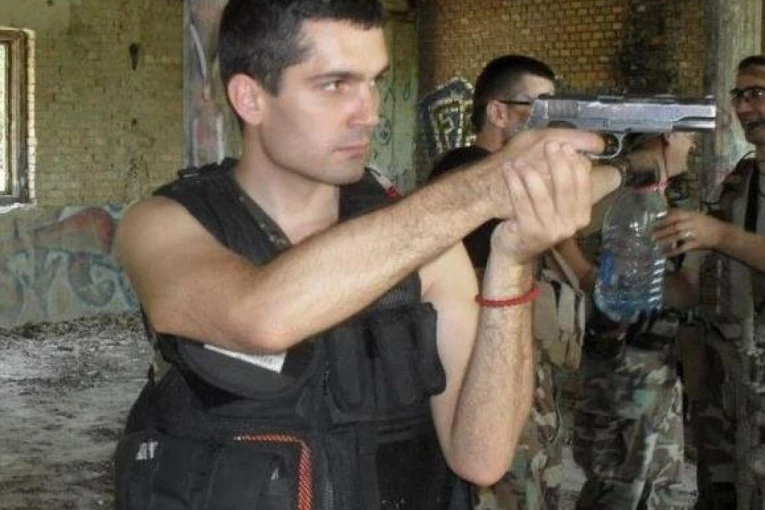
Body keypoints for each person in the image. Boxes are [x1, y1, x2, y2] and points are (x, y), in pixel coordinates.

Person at [111, 2, 606, 509]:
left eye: (374, 82)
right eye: (335, 85)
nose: (369, 113)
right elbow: (257, 316)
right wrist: (480, 189)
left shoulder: (426, 248)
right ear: (250, 97)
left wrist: (512, 261)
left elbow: (480, 458)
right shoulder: (165, 224)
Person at [427, 56, 631, 510]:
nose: (551, 123)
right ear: (498, 112)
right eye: (539, 109)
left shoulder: (509, 177)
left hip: (510, 363)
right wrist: (631, 168)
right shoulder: (466, 168)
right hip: (480, 373)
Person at [556, 131, 701, 510]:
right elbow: (560, 232)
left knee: (651, 485)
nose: (694, 145)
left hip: (653, 365)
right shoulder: (620, 193)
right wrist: (588, 276)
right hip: (622, 369)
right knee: (621, 487)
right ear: (668, 134)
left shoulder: (664, 195)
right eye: (689, 135)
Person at [653, 54, 765, 510]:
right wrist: (630, 277)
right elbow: (691, 288)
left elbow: (720, 238)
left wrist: (718, 235)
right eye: (739, 95)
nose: (744, 107)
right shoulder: (736, 183)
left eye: (757, 93)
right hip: (728, 390)